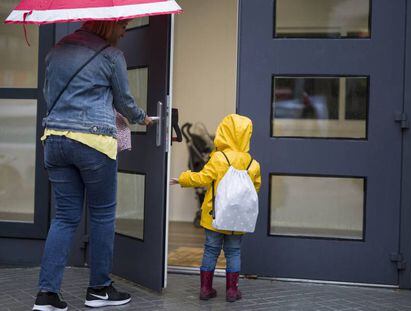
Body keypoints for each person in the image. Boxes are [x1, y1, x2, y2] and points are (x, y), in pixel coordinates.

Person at [32, 20, 152, 311]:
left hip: (55, 140)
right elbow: (123, 101)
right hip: (93, 142)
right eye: (123, 26)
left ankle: (46, 295)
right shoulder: (112, 56)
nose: (124, 31)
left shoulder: (55, 51)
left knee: (64, 217)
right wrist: (141, 118)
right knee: (101, 215)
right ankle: (98, 289)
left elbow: (49, 95)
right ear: (108, 25)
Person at [170, 114, 261, 302]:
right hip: (237, 219)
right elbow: (255, 188)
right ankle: (232, 291)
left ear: (224, 133)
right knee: (234, 252)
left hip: (214, 216)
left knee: (211, 250)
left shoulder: (219, 158)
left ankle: (205, 289)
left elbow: (202, 178)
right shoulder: (253, 164)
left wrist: (182, 179)